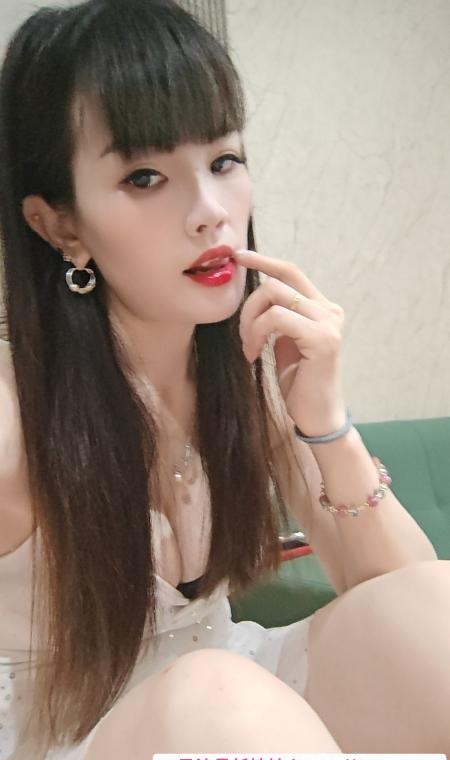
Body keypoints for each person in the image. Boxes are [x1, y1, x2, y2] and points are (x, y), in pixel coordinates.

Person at [0, 0, 449, 758]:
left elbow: (405, 606)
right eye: (145, 176)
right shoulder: (15, 415)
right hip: (66, 733)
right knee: (223, 699)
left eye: (224, 161)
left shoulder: (244, 372)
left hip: (230, 700)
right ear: (60, 225)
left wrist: (325, 424)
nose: (210, 212)